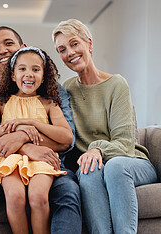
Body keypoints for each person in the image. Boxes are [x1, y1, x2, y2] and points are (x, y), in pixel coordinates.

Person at [0, 26, 82, 234]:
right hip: (6, 160)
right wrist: (17, 139)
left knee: (63, 192)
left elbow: (67, 139)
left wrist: (26, 129)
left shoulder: (51, 98)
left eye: (8, 43)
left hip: (46, 161)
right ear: (11, 73)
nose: (2, 50)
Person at [52, 19, 157, 234]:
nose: (69, 52)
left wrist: (97, 148)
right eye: (62, 49)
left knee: (114, 166)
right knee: (88, 172)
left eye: (74, 44)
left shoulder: (116, 84)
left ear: (89, 43)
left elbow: (126, 142)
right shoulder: (67, 89)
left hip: (131, 161)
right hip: (93, 166)